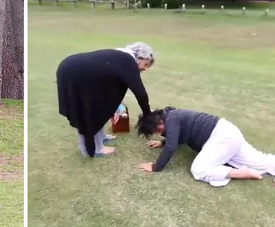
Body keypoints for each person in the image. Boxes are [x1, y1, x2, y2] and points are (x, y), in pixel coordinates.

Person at [56, 42, 155, 157]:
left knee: (101, 106)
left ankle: (99, 137)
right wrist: (147, 114)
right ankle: (94, 149)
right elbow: (140, 92)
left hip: (73, 69)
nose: (144, 68)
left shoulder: (120, 56)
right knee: (86, 111)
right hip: (73, 73)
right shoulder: (127, 61)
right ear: (141, 57)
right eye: (146, 64)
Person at [137, 107, 275, 187]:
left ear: (158, 120)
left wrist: (156, 167)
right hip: (228, 132)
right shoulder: (171, 115)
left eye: (157, 129)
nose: (158, 132)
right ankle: (247, 170)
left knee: (199, 170)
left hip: (222, 137)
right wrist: (162, 142)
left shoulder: (171, 118)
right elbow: (177, 135)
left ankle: (242, 173)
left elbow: (171, 147)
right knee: (260, 161)